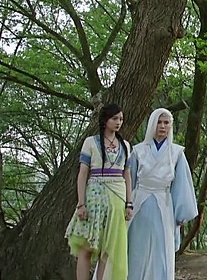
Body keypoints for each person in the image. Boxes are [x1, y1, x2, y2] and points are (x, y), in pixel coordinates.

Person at [126, 108, 198, 280]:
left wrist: (181, 212)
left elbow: (181, 183)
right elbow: (129, 180)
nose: (162, 126)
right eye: (159, 122)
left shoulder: (176, 153)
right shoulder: (138, 151)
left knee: (161, 249)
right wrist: (126, 203)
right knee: (136, 247)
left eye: (166, 123)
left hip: (164, 204)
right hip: (139, 202)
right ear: (152, 124)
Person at [65, 103, 134, 280]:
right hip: (95, 197)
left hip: (118, 197)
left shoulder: (125, 145)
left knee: (108, 247)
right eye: (114, 118)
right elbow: (82, 174)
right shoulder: (91, 142)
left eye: (121, 119)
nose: (118, 122)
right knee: (86, 247)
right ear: (105, 120)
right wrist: (81, 203)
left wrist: (129, 203)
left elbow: (127, 174)